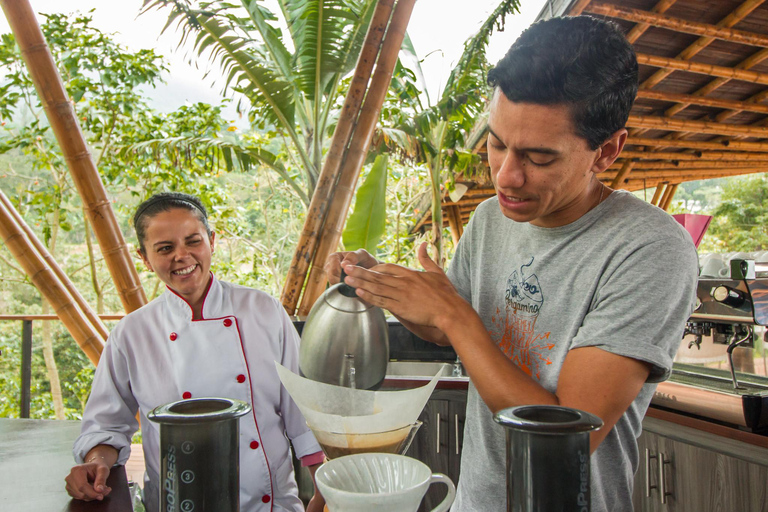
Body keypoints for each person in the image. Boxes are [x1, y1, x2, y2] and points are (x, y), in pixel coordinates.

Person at [325, 15, 699, 512]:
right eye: (497, 143)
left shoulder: (649, 248)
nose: (505, 176)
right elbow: (452, 329)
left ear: (606, 151)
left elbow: (565, 435)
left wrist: (452, 315)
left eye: (539, 157)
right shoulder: (489, 220)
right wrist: (385, 285)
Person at [65, 192, 325, 512]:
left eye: (193, 241)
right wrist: (95, 463)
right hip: (177, 503)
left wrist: (323, 488)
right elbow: (106, 427)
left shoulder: (263, 310)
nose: (182, 256)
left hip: (268, 504)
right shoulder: (131, 334)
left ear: (211, 241)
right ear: (144, 257)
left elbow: (302, 411)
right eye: (165, 248)